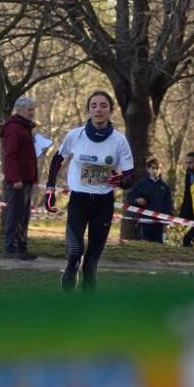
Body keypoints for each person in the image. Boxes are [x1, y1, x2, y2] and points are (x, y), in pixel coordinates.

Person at [44, 90, 134, 291]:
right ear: (88, 110)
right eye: (94, 105)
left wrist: (120, 180)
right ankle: (66, 302)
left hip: (103, 204)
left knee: (91, 263)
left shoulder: (119, 141)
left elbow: (130, 179)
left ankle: (87, 311)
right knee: (74, 255)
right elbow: (57, 159)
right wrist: (50, 189)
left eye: (103, 105)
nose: (98, 110)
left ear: (110, 110)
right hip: (79, 201)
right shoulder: (75, 136)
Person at [0, 96, 39, 260]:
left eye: (33, 109)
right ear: (20, 110)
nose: (32, 113)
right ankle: (11, 247)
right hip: (18, 181)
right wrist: (15, 178)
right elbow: (11, 155)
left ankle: (22, 247)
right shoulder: (14, 128)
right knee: (15, 214)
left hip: (27, 179)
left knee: (24, 215)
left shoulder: (25, 129)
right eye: (30, 110)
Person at [127, 157, 174, 243]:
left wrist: (167, 220)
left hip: (159, 223)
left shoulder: (165, 187)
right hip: (145, 221)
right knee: (145, 246)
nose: (155, 170)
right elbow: (130, 196)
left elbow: (168, 205)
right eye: (153, 168)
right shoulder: (141, 184)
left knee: (158, 247)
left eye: (158, 168)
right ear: (148, 169)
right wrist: (137, 200)